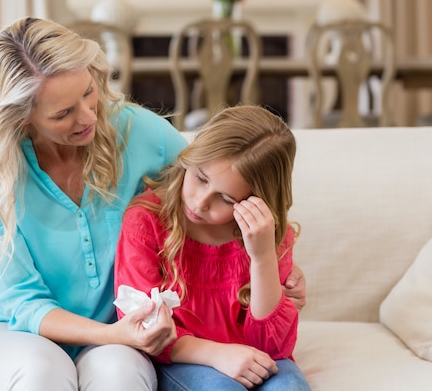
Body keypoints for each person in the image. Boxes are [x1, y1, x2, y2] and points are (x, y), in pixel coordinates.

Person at [0, 17, 307, 391]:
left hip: (122, 331)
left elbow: (219, 178)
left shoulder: (138, 129)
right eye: (62, 113)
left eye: (89, 92)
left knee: (120, 375)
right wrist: (117, 334)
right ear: (21, 117)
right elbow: (22, 303)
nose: (89, 116)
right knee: (43, 372)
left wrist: (276, 263)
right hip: (14, 331)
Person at [115, 106, 311, 391]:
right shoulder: (147, 222)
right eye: (201, 178)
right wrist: (219, 354)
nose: (200, 202)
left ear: (257, 200)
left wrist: (262, 257)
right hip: (184, 358)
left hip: (258, 356)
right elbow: (145, 329)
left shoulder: (267, 236)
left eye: (226, 198)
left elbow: (273, 346)